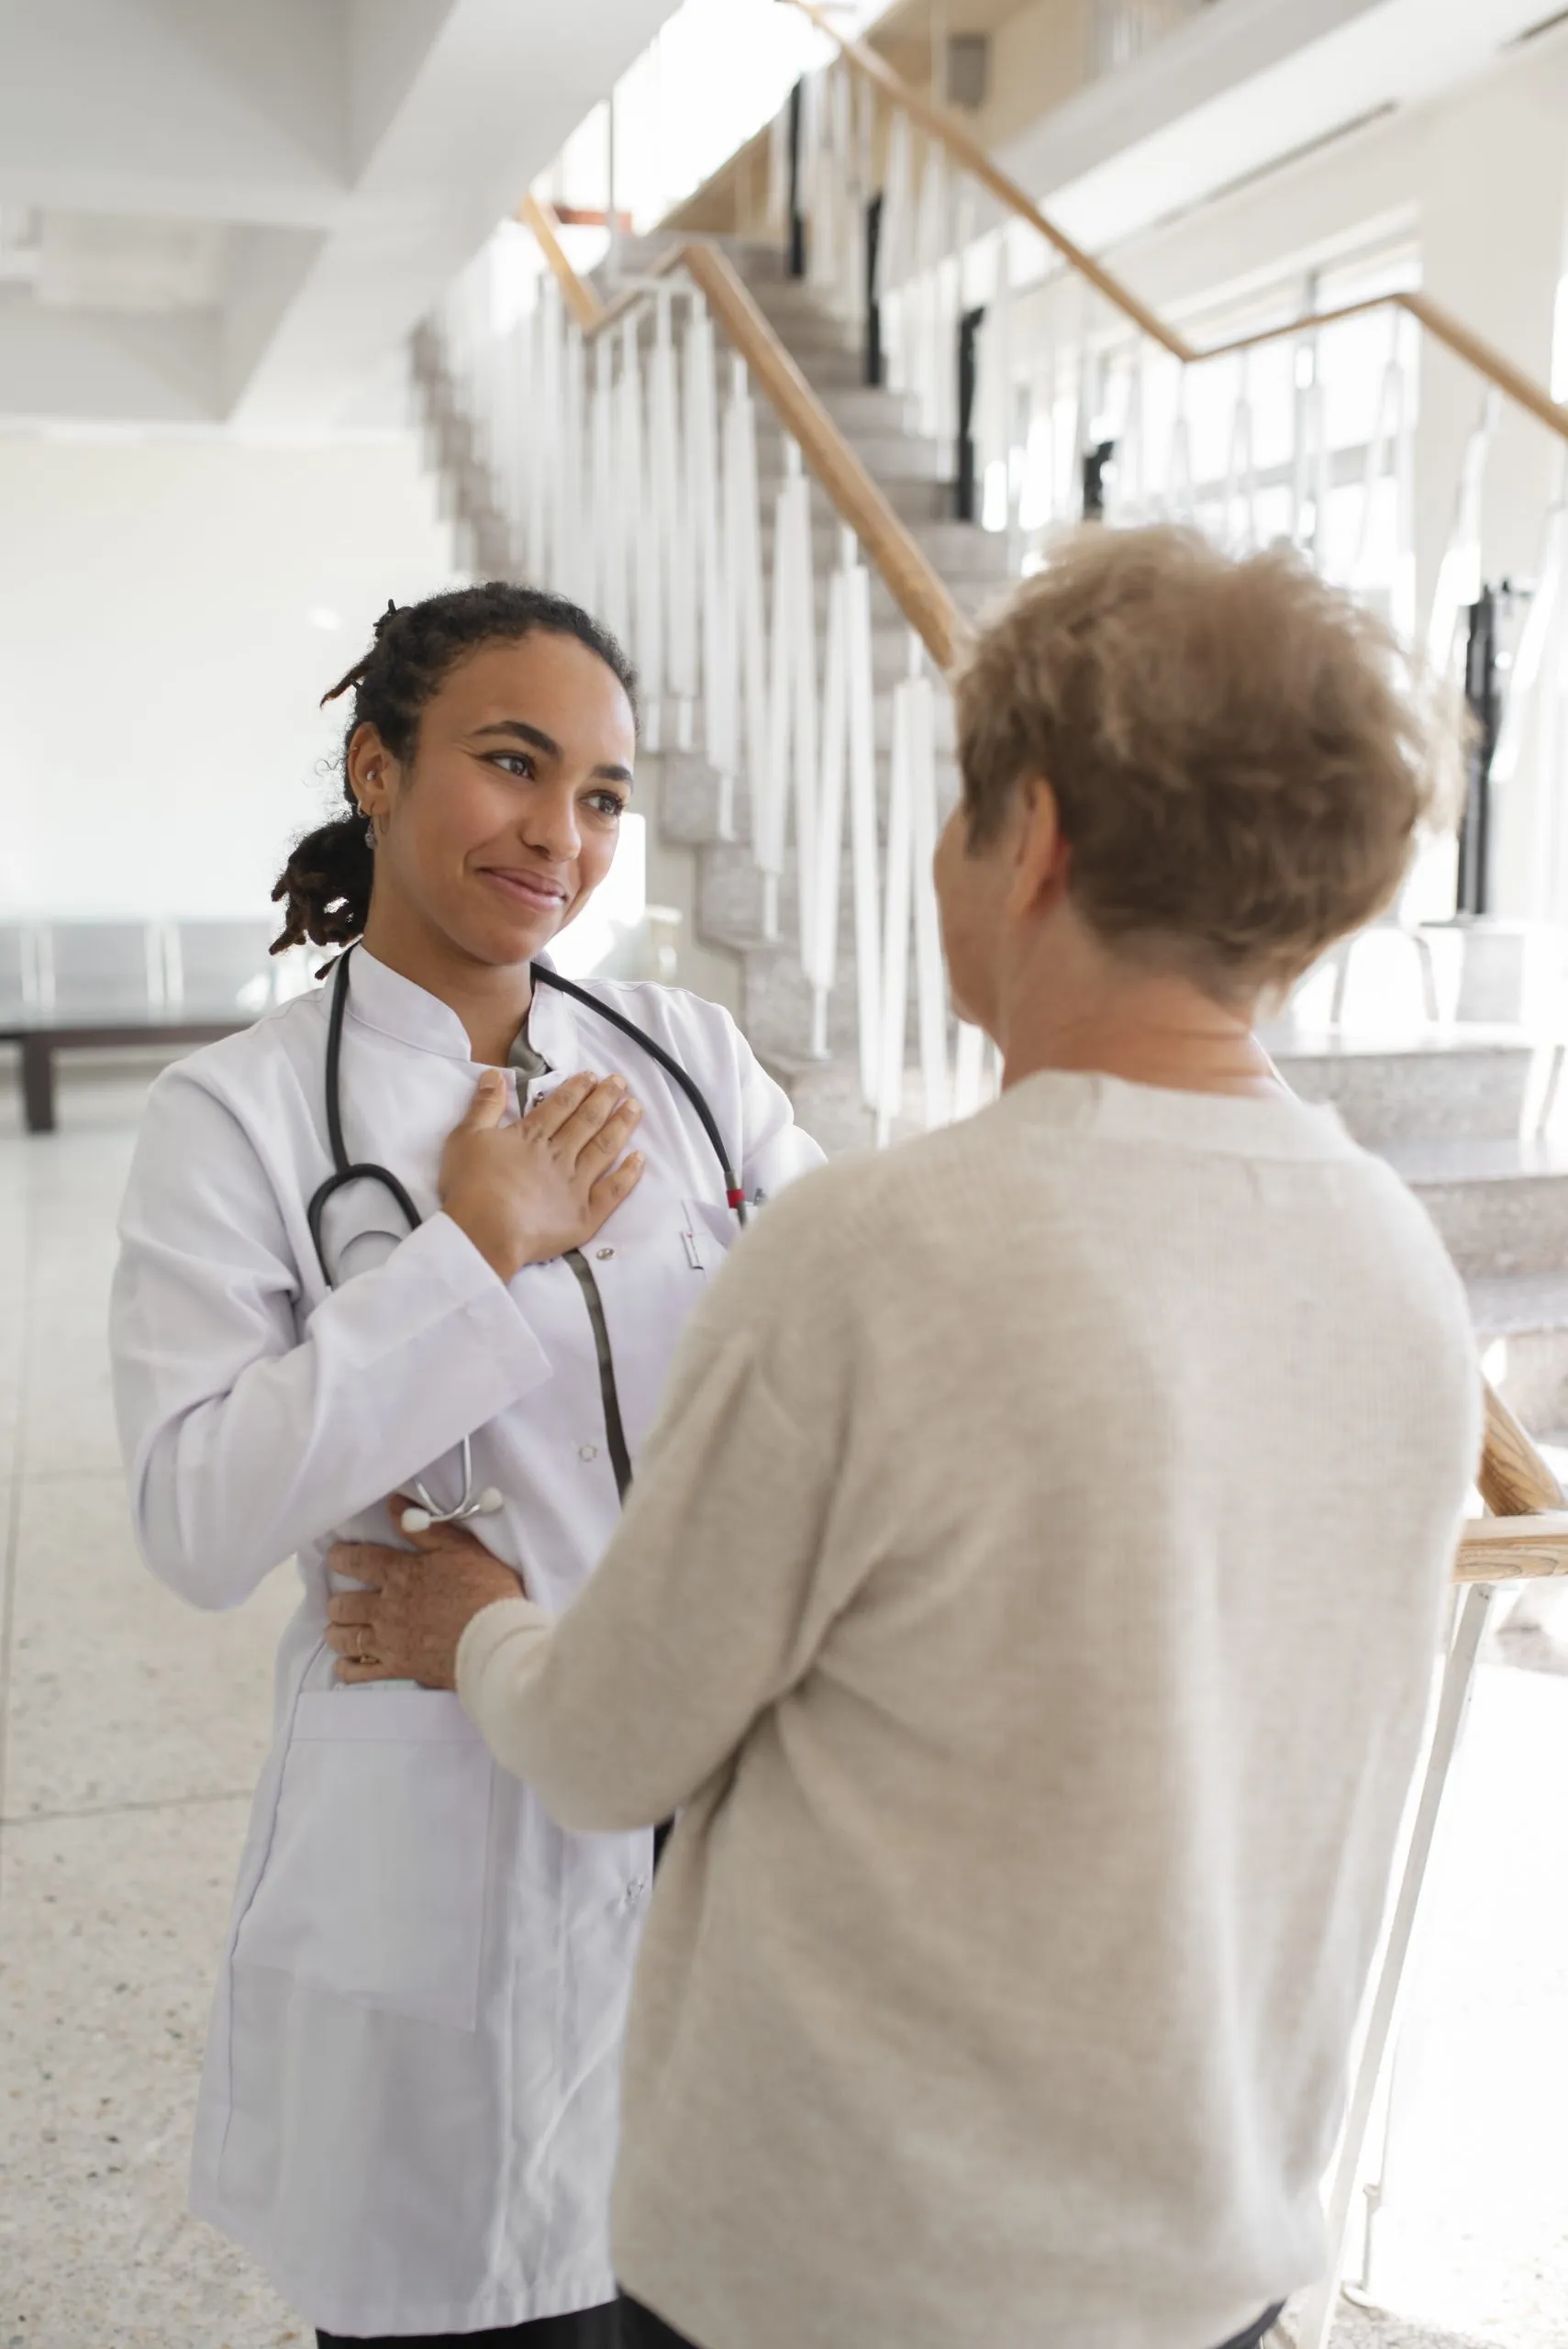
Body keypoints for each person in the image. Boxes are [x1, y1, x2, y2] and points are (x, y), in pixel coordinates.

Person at [325, 527, 1482, 2349]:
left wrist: (467, 1605)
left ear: (1032, 837)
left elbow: (605, 1742)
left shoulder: (877, 1251)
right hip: (1221, 2266)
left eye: (958, 808)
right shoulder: (1397, 1270)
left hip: (849, 2272)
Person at [108, 582, 822, 2345]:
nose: (559, 836)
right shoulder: (241, 1117)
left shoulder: (694, 1064)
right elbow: (198, 1517)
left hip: (714, 1815)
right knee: (480, 2300)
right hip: (448, 1843)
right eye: (513, 767)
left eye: (600, 796)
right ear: (376, 765)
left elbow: (841, 1345)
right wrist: (467, 1253)